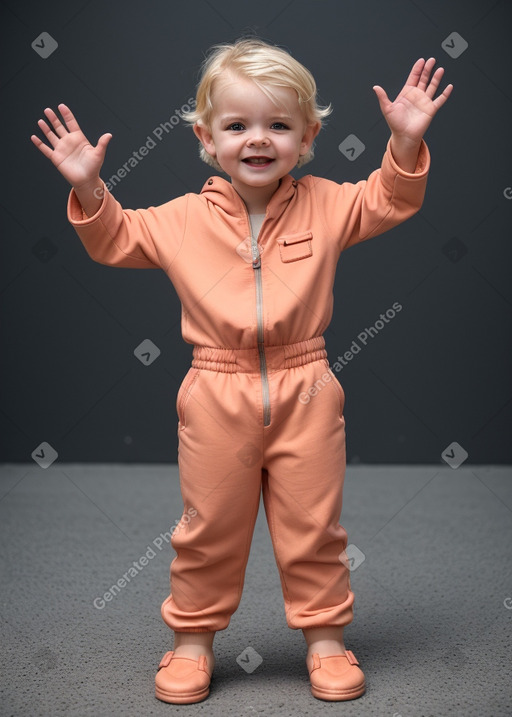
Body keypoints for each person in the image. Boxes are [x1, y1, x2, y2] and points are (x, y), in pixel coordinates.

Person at [31, 36, 452, 705]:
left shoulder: (327, 203)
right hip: (214, 390)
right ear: (205, 135)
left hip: (307, 384)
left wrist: (403, 145)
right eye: (238, 125)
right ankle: (192, 642)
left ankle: (326, 639)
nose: (259, 140)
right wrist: (88, 185)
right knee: (208, 526)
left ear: (309, 134)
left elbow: (388, 199)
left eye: (279, 125)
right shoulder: (182, 219)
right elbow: (114, 238)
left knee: (315, 524)